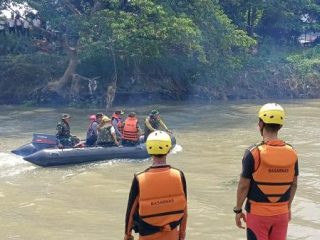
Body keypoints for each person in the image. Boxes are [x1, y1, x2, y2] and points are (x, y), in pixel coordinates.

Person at [234, 103, 299, 240]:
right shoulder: (292, 152)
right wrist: (287, 207)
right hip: (282, 214)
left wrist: (238, 210)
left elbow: (243, 185)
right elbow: (293, 184)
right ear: (280, 126)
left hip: (258, 215)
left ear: (261, 123)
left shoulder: (253, 153)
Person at [124, 131, 187, 240]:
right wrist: (181, 235)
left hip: (147, 236)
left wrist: (127, 235)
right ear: (168, 149)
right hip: (172, 235)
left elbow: (131, 212)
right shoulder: (179, 175)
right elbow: (185, 210)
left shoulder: (139, 179)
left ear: (149, 149)